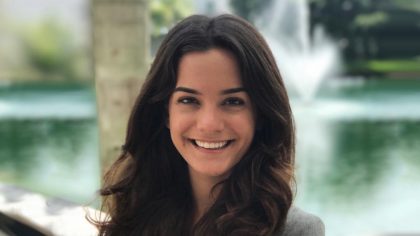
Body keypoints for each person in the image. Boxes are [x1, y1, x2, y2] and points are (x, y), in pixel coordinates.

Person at [93, 14, 325, 236]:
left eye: (233, 102)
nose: (209, 124)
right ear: (165, 112)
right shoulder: (134, 215)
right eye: (189, 100)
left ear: (261, 114)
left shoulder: (296, 231)